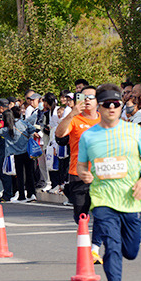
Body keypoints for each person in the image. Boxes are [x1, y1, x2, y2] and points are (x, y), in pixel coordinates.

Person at [77, 84, 141, 281]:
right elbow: (81, 165)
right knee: (112, 247)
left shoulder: (133, 131)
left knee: (130, 251)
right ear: (99, 107)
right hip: (103, 199)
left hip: (131, 199)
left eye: (116, 104)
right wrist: (84, 173)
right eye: (107, 104)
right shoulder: (88, 136)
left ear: (122, 105)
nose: (112, 108)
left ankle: (117, 258)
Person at [55, 85, 103, 262]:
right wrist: (71, 114)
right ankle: (85, 240)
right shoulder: (74, 120)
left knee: (101, 212)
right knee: (81, 216)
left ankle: (94, 249)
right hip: (78, 173)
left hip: (101, 174)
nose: (88, 100)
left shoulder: (105, 119)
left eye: (91, 97)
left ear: (98, 101)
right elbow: (59, 137)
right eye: (84, 97)